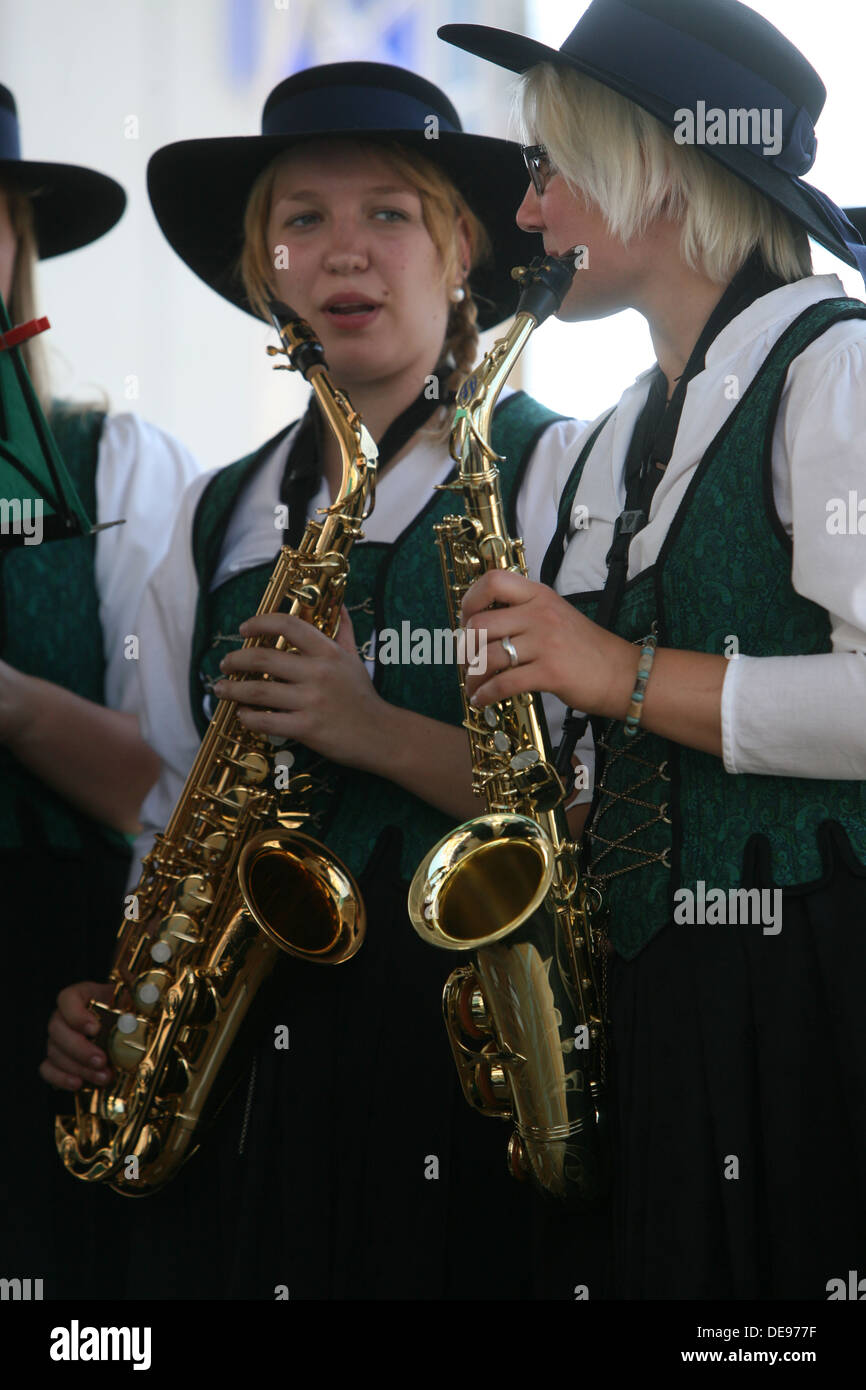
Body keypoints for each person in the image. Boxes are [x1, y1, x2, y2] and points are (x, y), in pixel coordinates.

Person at [40, 62, 597, 1300]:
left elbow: (587, 808)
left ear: (461, 251)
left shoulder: (556, 472)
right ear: (265, 274)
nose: (345, 251)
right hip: (247, 1069)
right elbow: (172, 795)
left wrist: (367, 728)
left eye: (388, 214)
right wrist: (125, 988)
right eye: (303, 220)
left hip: (465, 1057)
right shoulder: (217, 510)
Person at [445, 0, 866, 1301]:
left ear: (660, 172)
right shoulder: (626, 424)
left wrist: (611, 673)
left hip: (804, 982)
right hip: (663, 982)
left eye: (545, 169)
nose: (524, 215)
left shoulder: (831, 366)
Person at [0, 80, 200, 1294]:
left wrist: (11, 703)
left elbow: (162, 782)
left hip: (49, 969)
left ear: (14, 238)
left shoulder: (112, 460)